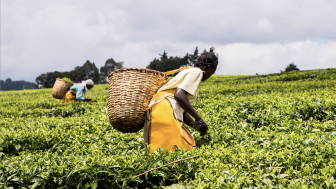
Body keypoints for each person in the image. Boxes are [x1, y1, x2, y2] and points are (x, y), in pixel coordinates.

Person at [144, 49, 218, 152]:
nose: (211, 75)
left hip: (157, 109)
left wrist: (196, 126)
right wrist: (199, 119)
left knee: (157, 151)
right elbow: (179, 95)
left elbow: (180, 109)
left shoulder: (189, 71)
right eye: (213, 71)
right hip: (165, 110)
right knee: (180, 149)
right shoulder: (197, 72)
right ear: (207, 67)